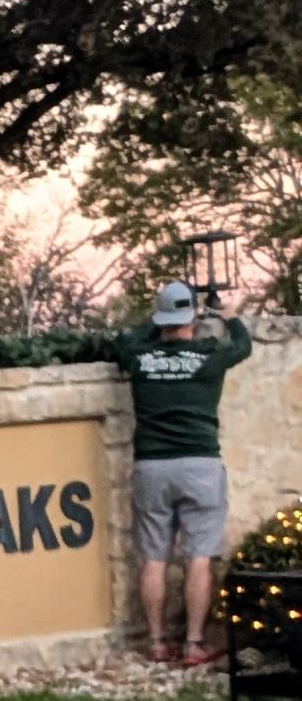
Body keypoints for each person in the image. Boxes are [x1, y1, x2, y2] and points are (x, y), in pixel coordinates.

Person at [114, 278, 252, 667]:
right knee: (199, 558)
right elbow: (243, 345)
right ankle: (193, 644)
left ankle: (157, 642)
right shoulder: (209, 354)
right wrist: (228, 316)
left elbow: (124, 341)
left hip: (151, 466)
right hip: (200, 465)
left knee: (153, 559)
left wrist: (158, 320)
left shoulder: (140, 356)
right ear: (192, 318)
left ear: (161, 320)